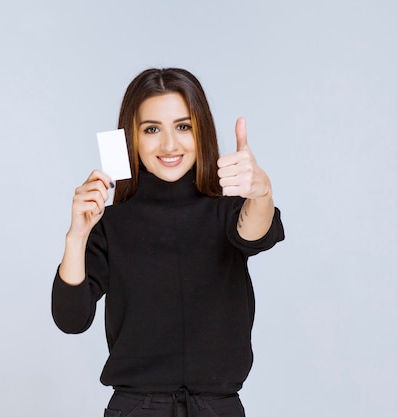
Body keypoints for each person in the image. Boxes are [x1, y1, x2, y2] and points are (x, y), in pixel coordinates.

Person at [51, 68, 285, 417]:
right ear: (131, 137)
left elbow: (255, 232)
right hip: (136, 408)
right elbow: (71, 318)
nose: (169, 145)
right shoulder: (111, 224)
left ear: (201, 131)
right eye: (151, 129)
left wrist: (261, 192)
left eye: (183, 126)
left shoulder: (228, 212)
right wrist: (77, 236)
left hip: (217, 408)